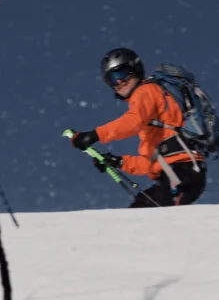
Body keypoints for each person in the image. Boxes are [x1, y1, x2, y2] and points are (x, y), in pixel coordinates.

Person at [66, 48, 208, 207]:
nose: (119, 82)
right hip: (179, 172)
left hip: (181, 171)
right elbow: (150, 162)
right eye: (112, 78)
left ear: (136, 70)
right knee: (138, 215)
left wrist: (95, 135)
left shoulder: (146, 91)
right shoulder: (156, 124)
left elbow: (133, 122)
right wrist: (120, 162)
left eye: (122, 73)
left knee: (149, 220)